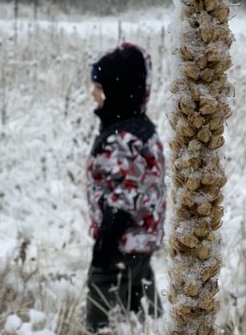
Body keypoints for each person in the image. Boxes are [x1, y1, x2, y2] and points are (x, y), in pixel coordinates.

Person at [85, 42, 166, 332]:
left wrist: (106, 244)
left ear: (116, 92)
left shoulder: (121, 138)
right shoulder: (141, 130)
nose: (93, 94)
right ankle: (153, 324)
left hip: (120, 241)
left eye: (99, 88)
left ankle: (103, 330)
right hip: (140, 240)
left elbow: (124, 196)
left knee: (103, 301)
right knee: (140, 293)